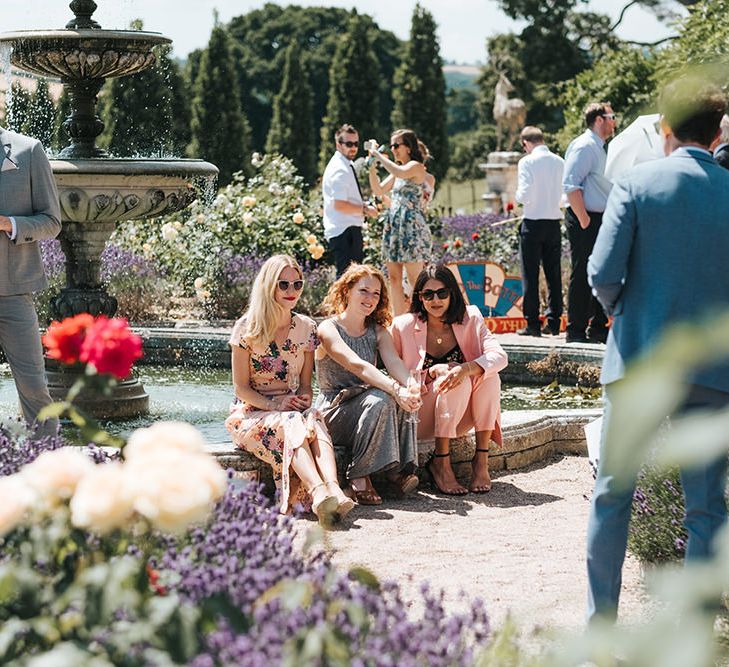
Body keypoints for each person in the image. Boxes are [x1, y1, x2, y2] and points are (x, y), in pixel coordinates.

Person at [585, 79, 729, 623]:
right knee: (706, 505)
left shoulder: (637, 182)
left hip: (640, 356)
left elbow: (601, 272)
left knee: (613, 493)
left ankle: (600, 626)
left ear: (664, 127)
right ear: (717, 132)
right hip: (714, 368)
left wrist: (624, 309)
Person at [225, 254, 354, 526]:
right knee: (296, 419)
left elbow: (307, 383)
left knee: (314, 418)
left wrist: (304, 397)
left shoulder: (306, 328)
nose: (292, 291)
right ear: (268, 286)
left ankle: (333, 489)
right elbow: (241, 388)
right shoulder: (246, 329)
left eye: (298, 284)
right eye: (283, 284)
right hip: (252, 412)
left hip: (290, 410)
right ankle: (318, 492)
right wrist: (276, 405)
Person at [391, 265, 508, 495]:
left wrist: (466, 368)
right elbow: (392, 374)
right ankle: (441, 463)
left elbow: (500, 356)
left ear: (452, 293)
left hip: (460, 414)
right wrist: (433, 372)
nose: (436, 300)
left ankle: (481, 460)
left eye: (442, 293)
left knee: (488, 376)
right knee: (454, 378)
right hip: (421, 413)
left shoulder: (471, 317)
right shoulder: (403, 326)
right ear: (420, 298)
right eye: (428, 294)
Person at [315, 263, 421, 505]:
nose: (370, 298)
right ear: (347, 291)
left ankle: (398, 469)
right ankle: (360, 474)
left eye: (376, 293)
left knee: (403, 398)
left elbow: (394, 363)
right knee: (384, 397)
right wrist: (395, 389)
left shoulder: (378, 331)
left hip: (368, 406)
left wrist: (410, 386)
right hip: (333, 411)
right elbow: (358, 366)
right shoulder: (327, 329)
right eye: (364, 290)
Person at [0, 126, 62, 438]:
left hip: (12, 292)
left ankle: (46, 464)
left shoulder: (28, 150)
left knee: (34, 387)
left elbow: (52, 222)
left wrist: (8, 223)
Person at [562, 102, 616, 344]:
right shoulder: (585, 146)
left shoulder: (599, 146)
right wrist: (584, 220)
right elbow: (571, 185)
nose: (614, 121)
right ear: (598, 119)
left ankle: (597, 328)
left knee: (599, 272)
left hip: (597, 217)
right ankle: (575, 330)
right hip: (586, 217)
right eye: (611, 117)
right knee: (583, 272)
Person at [368, 128, 432, 315]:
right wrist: (372, 166)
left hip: (411, 227)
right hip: (395, 226)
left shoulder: (415, 167)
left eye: (397, 145)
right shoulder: (398, 170)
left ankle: (421, 320)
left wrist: (378, 155)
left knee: (415, 281)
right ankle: (399, 322)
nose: (394, 149)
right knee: (394, 279)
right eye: (392, 145)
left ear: (409, 147)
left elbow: (400, 171)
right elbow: (378, 190)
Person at [514, 126, 565, 337]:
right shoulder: (559, 161)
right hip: (554, 222)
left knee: (531, 275)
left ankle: (532, 324)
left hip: (533, 222)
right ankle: (553, 322)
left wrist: (518, 198)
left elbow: (523, 194)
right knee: (554, 275)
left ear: (526, 143)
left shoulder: (526, 162)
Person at [322, 124, 379, 277]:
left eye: (355, 144)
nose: (353, 148)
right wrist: (365, 209)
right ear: (338, 144)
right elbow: (339, 204)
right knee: (347, 281)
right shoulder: (339, 169)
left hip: (346, 230)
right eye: (348, 144)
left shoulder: (344, 164)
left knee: (350, 280)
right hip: (345, 231)